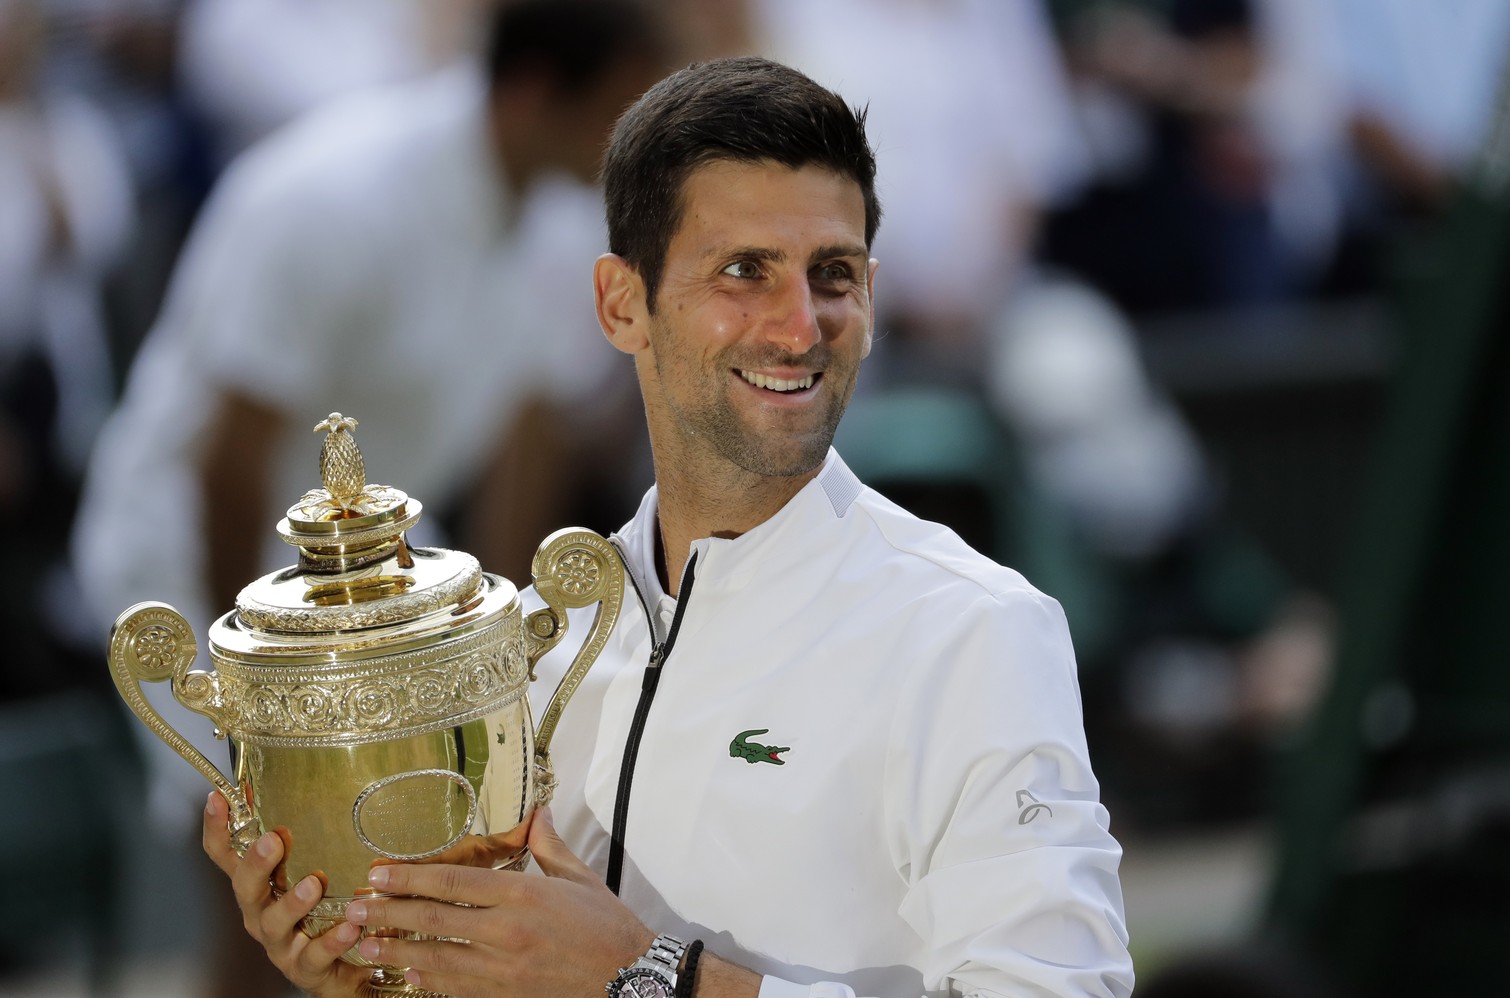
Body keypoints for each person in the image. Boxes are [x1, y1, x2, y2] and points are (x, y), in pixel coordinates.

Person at [204, 56, 1134, 997]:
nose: (800, 325)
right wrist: (368, 967)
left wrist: (653, 981)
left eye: (834, 275)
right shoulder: (529, 643)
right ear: (620, 303)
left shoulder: (975, 632)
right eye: (745, 272)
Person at [75, 2, 666, 994]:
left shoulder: (564, 214)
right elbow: (224, 462)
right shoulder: (332, 193)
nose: (634, 146)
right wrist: (254, 711)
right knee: (268, 888)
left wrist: (499, 664)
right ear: (533, 96)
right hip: (187, 569)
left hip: (384, 579)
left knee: (420, 903)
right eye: (618, 111)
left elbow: (531, 436)